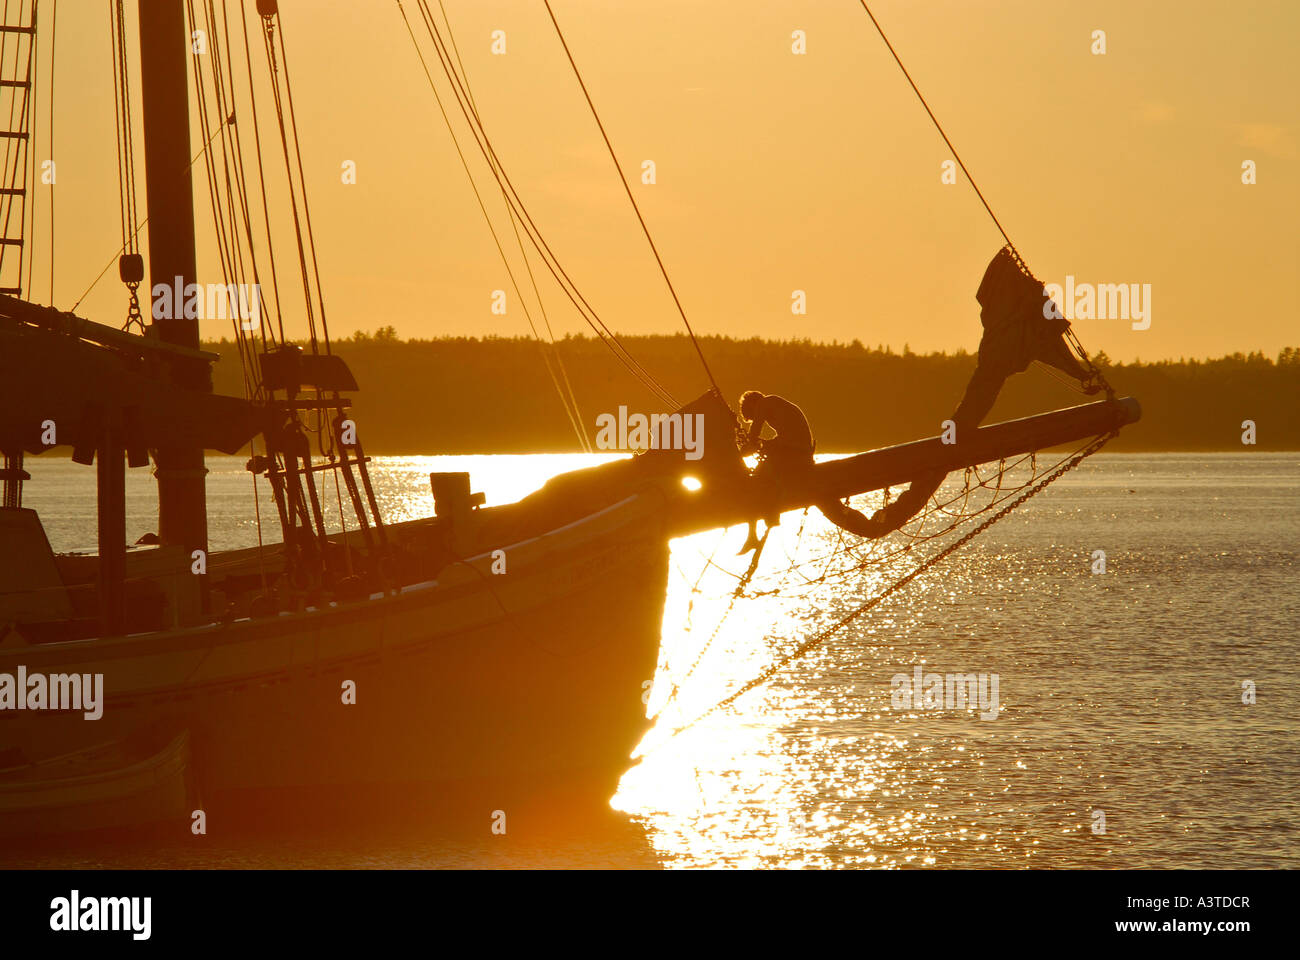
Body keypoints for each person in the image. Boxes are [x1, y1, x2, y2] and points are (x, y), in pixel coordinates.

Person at [737, 391, 816, 553]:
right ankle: (760, 526)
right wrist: (764, 444)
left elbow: (754, 435)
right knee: (760, 474)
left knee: (754, 481)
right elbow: (786, 435)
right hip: (797, 449)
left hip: (795, 453)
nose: (756, 417)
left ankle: (767, 519)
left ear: (753, 405)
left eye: (752, 415)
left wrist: (740, 452)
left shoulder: (765, 403)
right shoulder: (776, 404)